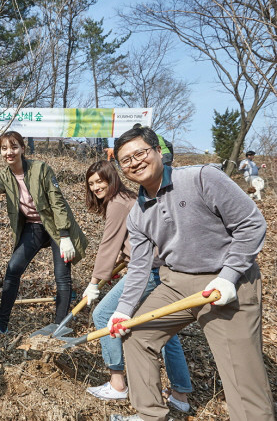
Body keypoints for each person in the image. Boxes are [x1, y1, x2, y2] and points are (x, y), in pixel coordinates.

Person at [107, 126, 273, 421]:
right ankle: (150, 415)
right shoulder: (138, 213)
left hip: (226, 282)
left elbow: (251, 224)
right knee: (135, 335)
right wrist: (122, 311)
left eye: (140, 153)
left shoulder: (201, 178)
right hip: (175, 282)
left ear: (158, 151)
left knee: (241, 376)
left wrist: (229, 274)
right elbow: (139, 268)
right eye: (126, 160)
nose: (134, 162)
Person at [81, 161, 192, 412]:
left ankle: (117, 383)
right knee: (165, 331)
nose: (97, 187)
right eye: (92, 183)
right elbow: (127, 242)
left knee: (103, 315)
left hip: (146, 272)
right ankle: (180, 395)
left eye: (101, 181)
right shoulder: (128, 198)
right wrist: (116, 265)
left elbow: (108, 244)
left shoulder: (118, 203)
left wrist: (94, 282)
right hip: (160, 267)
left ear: (112, 179)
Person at [0, 131, 87, 341]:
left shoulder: (41, 169)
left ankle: (60, 326)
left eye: (14, 147)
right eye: (4, 148)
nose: (9, 152)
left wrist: (65, 236)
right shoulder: (6, 175)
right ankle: (1, 326)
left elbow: (57, 202)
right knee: (12, 270)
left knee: (62, 276)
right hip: (33, 228)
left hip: (56, 226)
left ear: (23, 148)